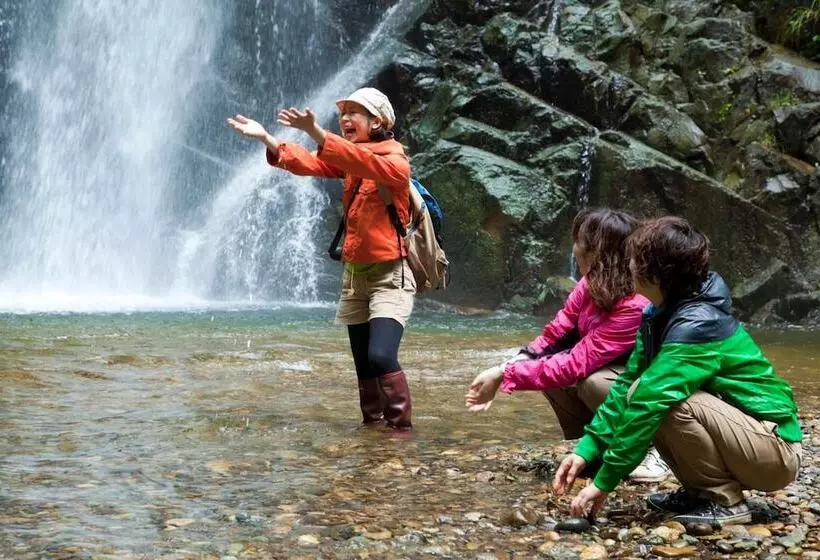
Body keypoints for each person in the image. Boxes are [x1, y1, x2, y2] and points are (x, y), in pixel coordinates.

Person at [553, 216, 802, 526]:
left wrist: (604, 482)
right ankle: (698, 492)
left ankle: (723, 500)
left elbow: (647, 404)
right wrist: (586, 450)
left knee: (663, 401)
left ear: (654, 272)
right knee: (640, 389)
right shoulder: (658, 312)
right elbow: (626, 384)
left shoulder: (698, 325)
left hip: (775, 450)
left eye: (634, 259)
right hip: (748, 438)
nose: (628, 265)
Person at [227, 87, 416, 430]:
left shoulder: (395, 162)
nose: (345, 118)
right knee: (363, 363)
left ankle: (400, 431)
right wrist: (267, 138)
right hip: (355, 277)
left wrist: (315, 130)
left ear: (377, 122)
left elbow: (362, 162)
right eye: (343, 113)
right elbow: (310, 162)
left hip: (390, 277)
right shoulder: (351, 160)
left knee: (380, 356)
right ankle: (373, 430)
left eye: (354, 113)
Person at [465, 209, 669, 480]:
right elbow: (554, 336)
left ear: (595, 252)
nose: (574, 248)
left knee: (593, 382)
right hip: (619, 376)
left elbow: (575, 364)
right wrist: (509, 365)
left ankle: (657, 449)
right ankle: (591, 449)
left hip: (652, 391)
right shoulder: (591, 283)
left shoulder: (636, 303)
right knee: (547, 371)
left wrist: (504, 375)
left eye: (579, 241)